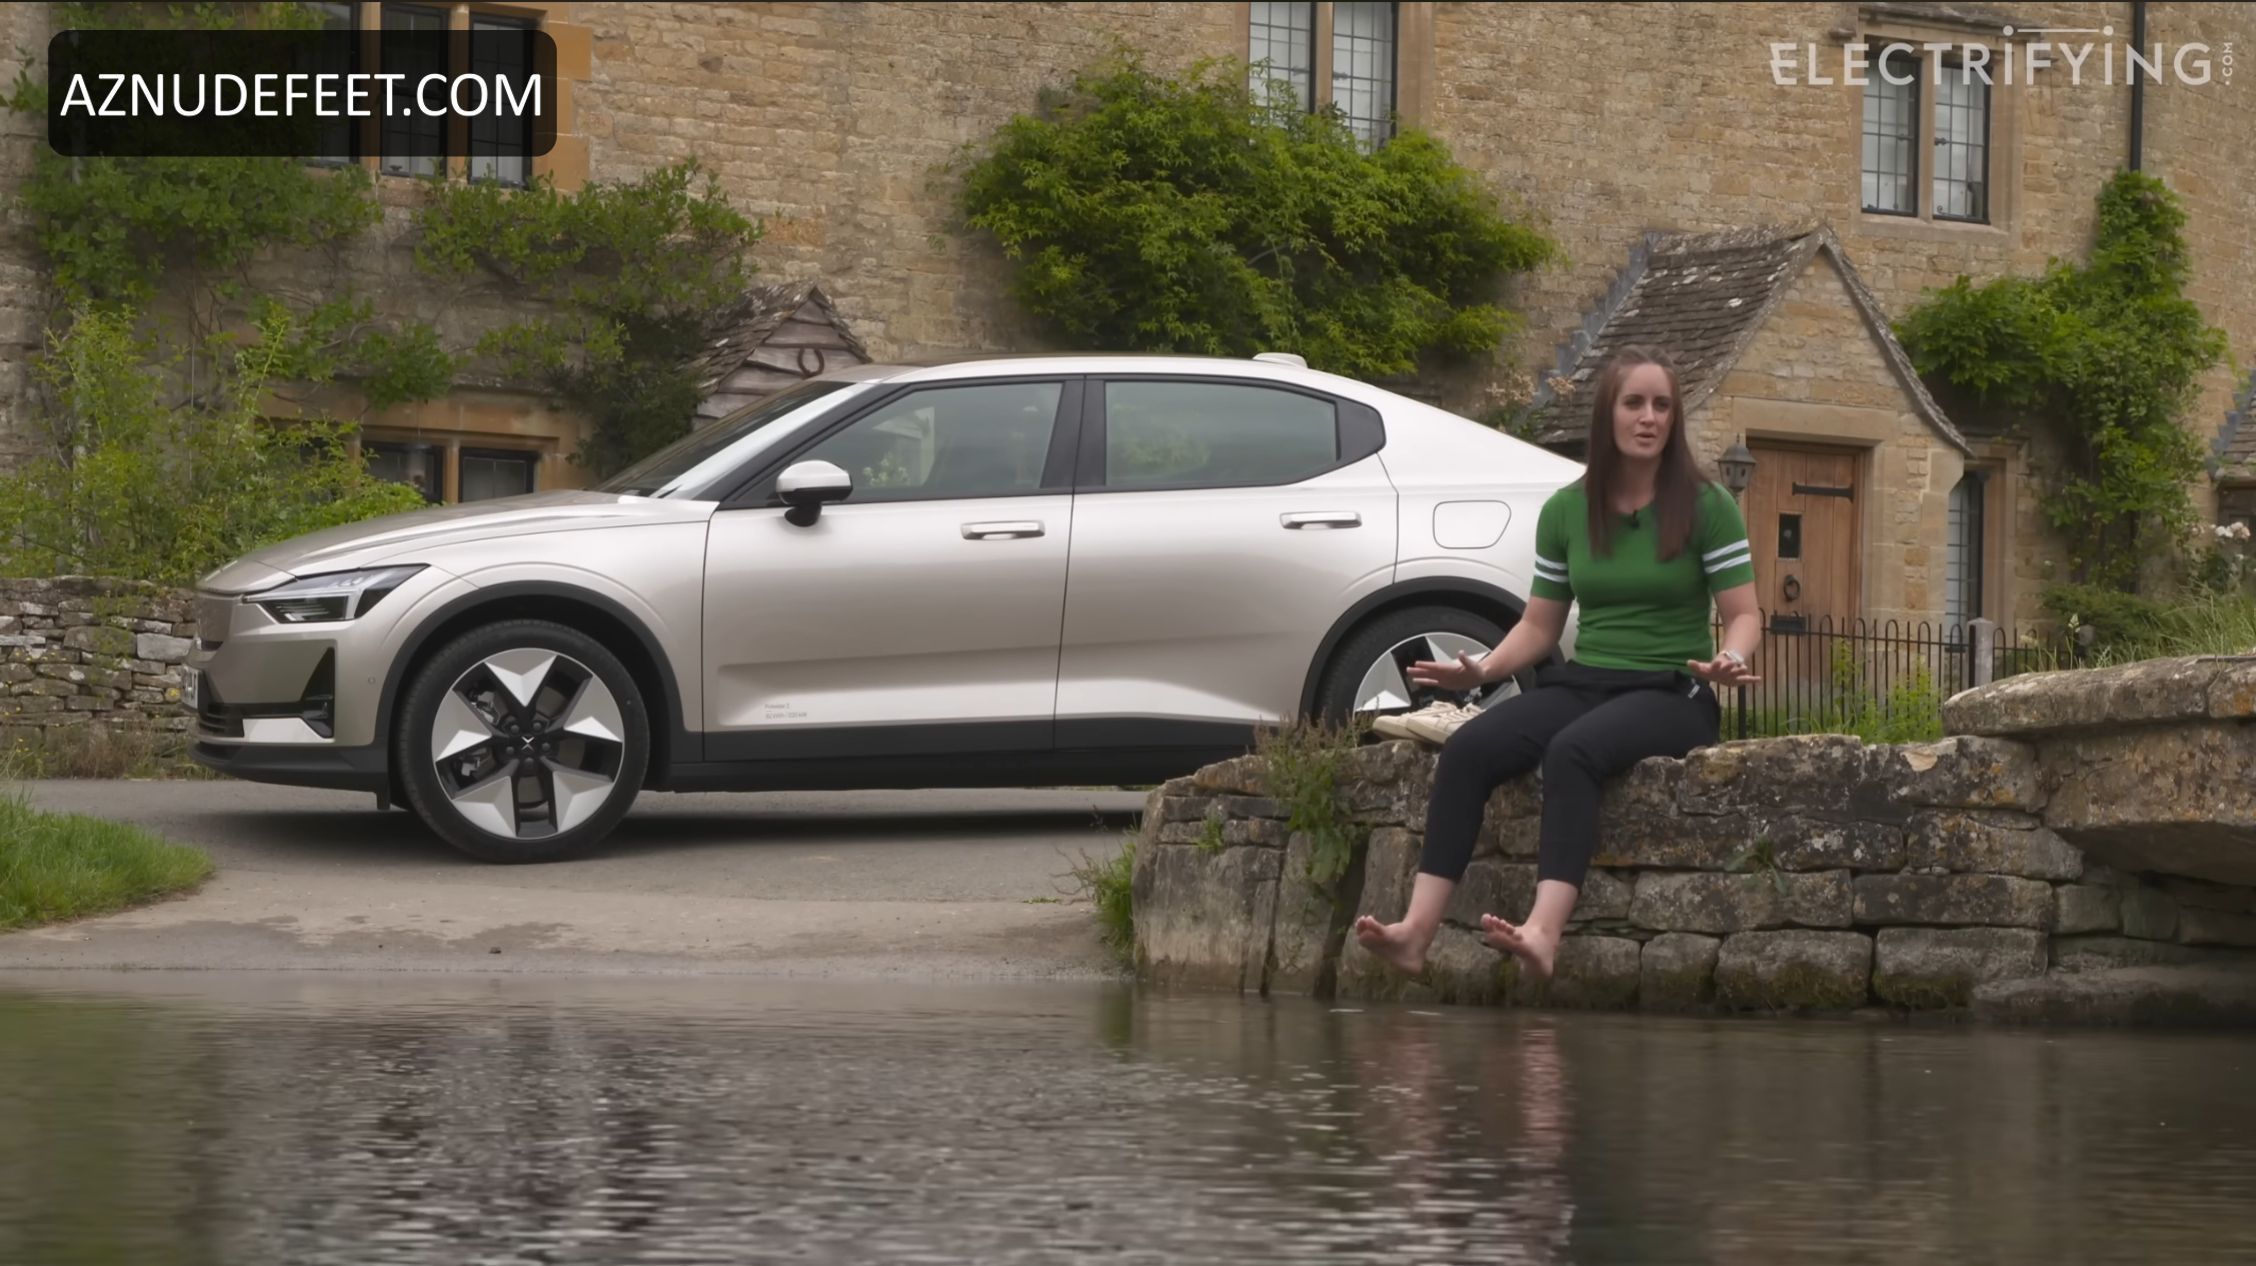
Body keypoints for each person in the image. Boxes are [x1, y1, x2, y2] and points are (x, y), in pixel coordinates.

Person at [1352, 345, 1764, 982]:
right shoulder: (1566, 510)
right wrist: (1483, 671)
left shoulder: (1709, 506)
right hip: (1588, 681)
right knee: (1468, 749)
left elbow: (1745, 614)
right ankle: (1414, 933)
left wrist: (1729, 658)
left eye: (1662, 405)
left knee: (1573, 752)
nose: (1649, 417)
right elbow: (1540, 626)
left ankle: (1543, 932)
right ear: (1607, 414)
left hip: (1673, 691)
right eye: (1634, 403)